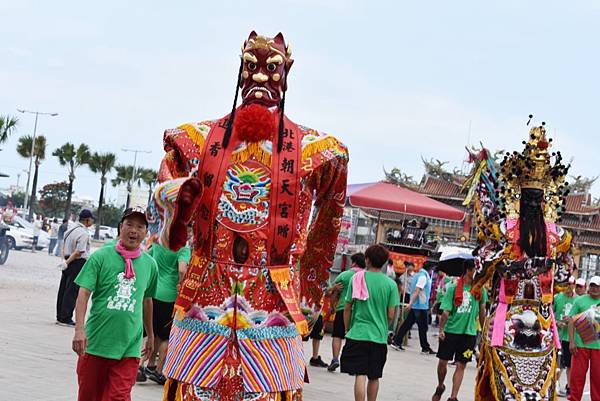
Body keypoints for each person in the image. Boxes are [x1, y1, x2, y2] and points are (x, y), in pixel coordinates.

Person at [148, 31, 348, 401]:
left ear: (287, 73)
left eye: (271, 68)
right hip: (204, 297)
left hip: (272, 300)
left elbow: (329, 220)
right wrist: (179, 199)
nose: (259, 77)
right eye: (250, 67)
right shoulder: (194, 138)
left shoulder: (318, 151)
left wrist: (311, 287)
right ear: (239, 71)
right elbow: (161, 193)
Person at [72, 207, 158, 401]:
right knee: (89, 397)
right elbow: (83, 293)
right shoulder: (101, 256)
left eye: (140, 226)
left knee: (119, 397)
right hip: (95, 344)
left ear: (146, 232)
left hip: (129, 347)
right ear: (121, 227)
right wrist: (79, 329)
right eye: (129, 225)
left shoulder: (150, 265)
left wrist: (150, 335)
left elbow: (147, 300)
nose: (133, 231)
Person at [340, 245, 399, 401]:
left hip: (358, 333)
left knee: (360, 374)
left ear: (367, 260)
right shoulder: (391, 285)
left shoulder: (357, 278)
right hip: (378, 337)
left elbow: (347, 308)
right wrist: (383, 326)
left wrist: (348, 329)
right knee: (374, 376)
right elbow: (391, 315)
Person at [432, 261, 487, 401]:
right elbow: (445, 312)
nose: (478, 274)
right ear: (469, 271)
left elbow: (482, 311)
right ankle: (440, 385)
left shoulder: (481, 290)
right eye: (476, 270)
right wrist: (441, 330)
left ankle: (453, 396)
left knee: (461, 364)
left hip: (469, 334)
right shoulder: (453, 288)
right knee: (442, 362)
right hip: (450, 332)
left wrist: (484, 332)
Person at [139, 240, 191, 384]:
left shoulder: (159, 243)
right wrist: (181, 284)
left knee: (149, 331)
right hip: (169, 296)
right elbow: (181, 269)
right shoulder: (182, 248)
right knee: (165, 336)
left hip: (152, 292)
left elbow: (145, 256)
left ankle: (141, 365)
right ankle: (158, 371)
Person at [56, 209, 94, 326]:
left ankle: (59, 315)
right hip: (76, 262)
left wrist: (64, 260)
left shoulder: (70, 229)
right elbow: (79, 251)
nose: (92, 222)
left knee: (63, 289)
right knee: (72, 291)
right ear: (87, 220)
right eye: (91, 219)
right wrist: (68, 262)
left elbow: (62, 245)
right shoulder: (83, 233)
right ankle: (66, 317)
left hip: (67, 260)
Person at [328, 252, 365, 372]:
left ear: (353, 262)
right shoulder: (366, 276)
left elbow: (334, 293)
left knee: (337, 335)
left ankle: (335, 359)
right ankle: (352, 362)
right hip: (359, 311)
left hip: (342, 309)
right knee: (354, 337)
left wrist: (333, 306)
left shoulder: (344, 275)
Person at [567, 275, 600, 401]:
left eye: (597, 286)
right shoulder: (579, 301)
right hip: (580, 346)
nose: (595, 289)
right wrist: (571, 342)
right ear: (588, 286)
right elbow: (571, 321)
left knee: (598, 379)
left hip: (598, 348)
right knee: (577, 377)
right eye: (592, 285)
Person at [391, 262, 434, 354]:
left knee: (407, 324)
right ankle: (425, 347)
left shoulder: (418, 275)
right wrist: (410, 303)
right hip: (420, 306)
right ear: (430, 269)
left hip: (418, 305)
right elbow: (417, 290)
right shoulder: (423, 277)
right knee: (423, 327)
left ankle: (397, 341)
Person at [553, 276, 577, 397]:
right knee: (557, 363)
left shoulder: (577, 300)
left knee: (569, 364)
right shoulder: (557, 298)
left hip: (570, 337)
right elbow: (550, 314)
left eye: (571, 285)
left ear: (574, 286)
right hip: (557, 336)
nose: (569, 287)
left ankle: (569, 387)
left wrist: (572, 321)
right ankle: (555, 385)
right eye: (567, 285)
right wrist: (557, 322)